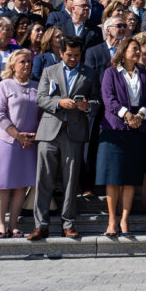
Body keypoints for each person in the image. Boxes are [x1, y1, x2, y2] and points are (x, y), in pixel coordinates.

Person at [29, 36, 101, 241]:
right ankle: (40, 225)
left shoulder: (89, 73)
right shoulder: (49, 71)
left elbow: (97, 101)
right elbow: (40, 98)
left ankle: (68, 224)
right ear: (61, 53)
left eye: (77, 55)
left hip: (75, 132)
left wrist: (87, 106)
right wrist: (59, 102)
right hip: (49, 131)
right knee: (44, 179)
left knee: (71, 181)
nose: (73, 59)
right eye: (69, 55)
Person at [97, 36, 146, 237]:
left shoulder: (145, 75)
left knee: (130, 178)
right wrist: (127, 114)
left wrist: (140, 115)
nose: (138, 52)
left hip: (137, 130)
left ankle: (124, 220)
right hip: (114, 130)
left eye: (139, 49)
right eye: (134, 48)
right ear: (123, 51)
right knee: (113, 178)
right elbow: (109, 99)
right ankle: (111, 220)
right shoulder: (110, 73)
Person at [0, 49, 40, 238]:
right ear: (12, 64)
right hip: (7, 141)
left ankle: (13, 223)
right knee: (3, 184)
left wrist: (35, 135)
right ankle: (0, 224)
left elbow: (42, 113)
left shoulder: (36, 85)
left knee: (21, 185)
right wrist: (17, 135)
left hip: (30, 143)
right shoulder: (5, 85)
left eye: (29, 62)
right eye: (22, 62)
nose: (27, 65)